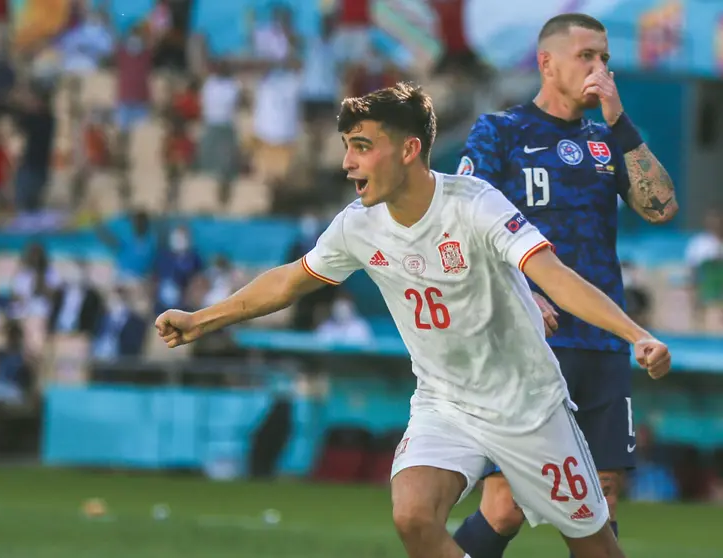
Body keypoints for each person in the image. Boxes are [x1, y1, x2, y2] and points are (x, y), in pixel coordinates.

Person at [155, 82, 671, 558]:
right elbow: (289, 281)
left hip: (527, 406)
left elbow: (554, 276)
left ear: (408, 150)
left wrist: (637, 335)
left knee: (596, 548)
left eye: (361, 146)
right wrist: (203, 319)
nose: (347, 163)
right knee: (413, 515)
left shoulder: (474, 205)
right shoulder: (358, 226)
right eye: (346, 146)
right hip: (444, 403)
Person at [453, 13, 678, 558]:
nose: (599, 68)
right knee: (505, 502)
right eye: (587, 57)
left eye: (605, 58)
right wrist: (521, 289)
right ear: (546, 63)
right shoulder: (500, 132)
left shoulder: (608, 141)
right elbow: (458, 223)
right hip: (525, 340)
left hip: (600, 340)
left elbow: (662, 207)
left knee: (601, 495)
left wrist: (621, 122)